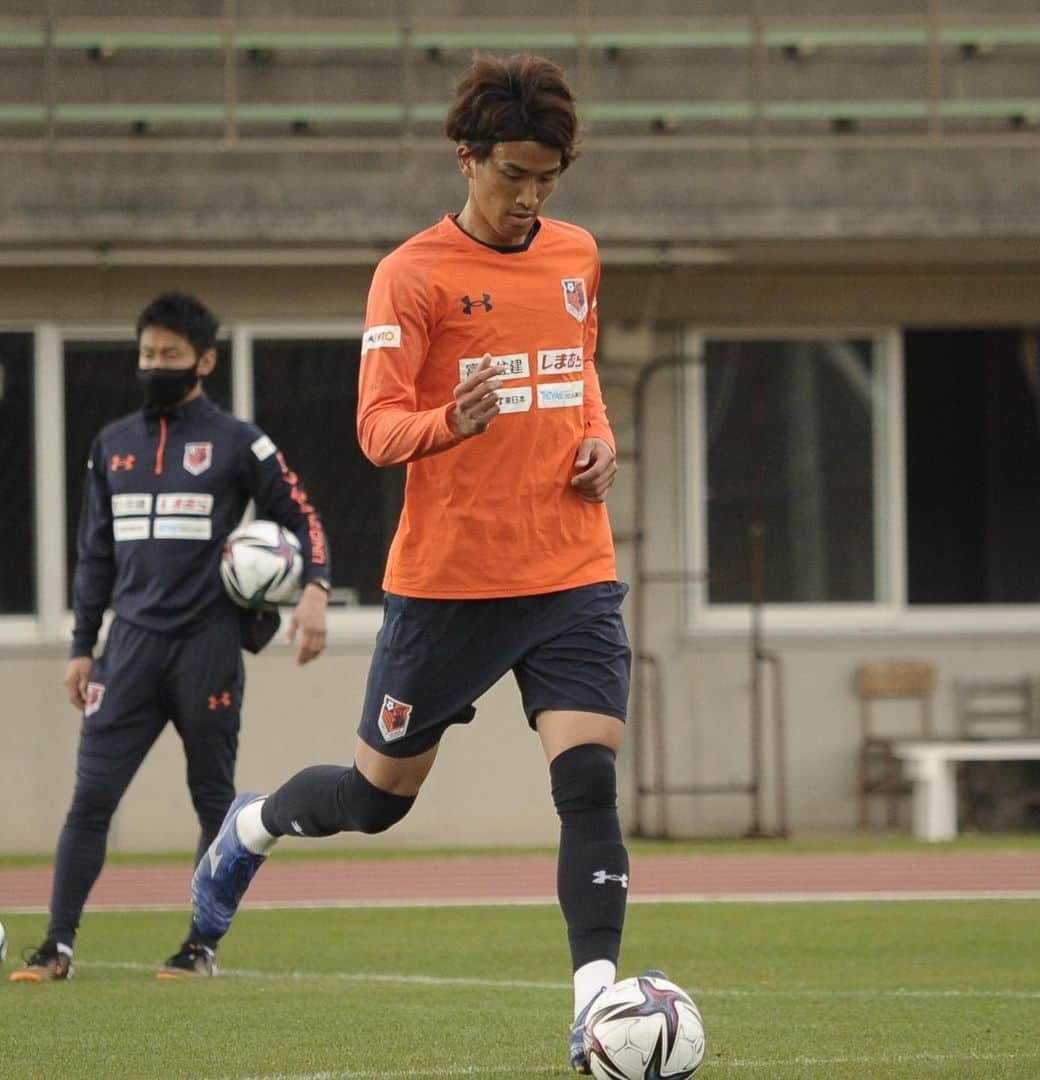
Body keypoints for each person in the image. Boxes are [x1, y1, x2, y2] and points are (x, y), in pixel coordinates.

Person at [185, 54, 630, 1073]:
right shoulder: (413, 275)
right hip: (450, 587)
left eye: (548, 178)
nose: (530, 197)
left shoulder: (577, 254)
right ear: (466, 157)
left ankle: (596, 1009)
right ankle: (252, 826)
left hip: (570, 570)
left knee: (590, 783)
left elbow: (578, 372)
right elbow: (377, 430)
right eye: (514, 173)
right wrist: (448, 421)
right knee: (378, 800)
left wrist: (599, 441)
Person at [11, 291, 332, 984]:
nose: (154, 365)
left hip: (207, 649)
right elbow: (94, 554)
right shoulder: (112, 444)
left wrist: (315, 589)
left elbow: (302, 516)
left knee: (214, 804)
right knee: (91, 800)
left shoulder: (239, 441)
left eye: (170, 356)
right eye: (147, 354)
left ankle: (200, 946)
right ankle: (56, 946)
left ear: (204, 362)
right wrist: (80, 645)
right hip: (126, 652)